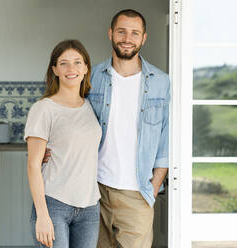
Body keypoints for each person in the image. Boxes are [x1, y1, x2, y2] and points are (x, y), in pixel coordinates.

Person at [88, 9, 171, 248]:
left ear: (143, 38)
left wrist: (153, 188)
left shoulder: (160, 82)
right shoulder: (91, 77)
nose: (127, 38)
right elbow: (73, 121)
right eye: (122, 31)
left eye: (135, 33)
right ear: (111, 33)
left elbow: (166, 140)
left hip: (137, 194)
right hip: (95, 191)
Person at [24, 39, 102, 248]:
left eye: (78, 62)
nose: (71, 68)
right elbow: (33, 165)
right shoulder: (43, 109)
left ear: (86, 68)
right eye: (64, 63)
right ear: (55, 70)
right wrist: (42, 215)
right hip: (54, 204)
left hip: (90, 206)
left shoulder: (90, 106)